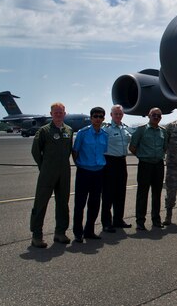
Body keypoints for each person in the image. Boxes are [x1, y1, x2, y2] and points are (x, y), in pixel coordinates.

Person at [29, 102, 73, 248]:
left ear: (65, 113)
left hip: (64, 172)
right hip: (48, 172)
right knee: (41, 203)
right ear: (51, 114)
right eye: (56, 112)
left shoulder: (69, 130)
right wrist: (44, 167)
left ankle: (60, 233)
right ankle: (37, 235)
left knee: (63, 203)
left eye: (61, 112)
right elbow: (36, 151)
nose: (59, 114)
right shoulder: (44, 131)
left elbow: (69, 150)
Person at [71, 106, 108, 242]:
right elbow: (75, 151)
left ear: (104, 119)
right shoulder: (82, 133)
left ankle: (89, 230)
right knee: (80, 204)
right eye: (95, 116)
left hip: (98, 172)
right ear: (91, 118)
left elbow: (104, 151)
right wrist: (80, 164)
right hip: (84, 172)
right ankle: (78, 232)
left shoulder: (105, 134)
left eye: (100, 116)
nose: (98, 119)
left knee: (94, 203)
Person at [129, 108, 166, 230]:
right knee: (142, 194)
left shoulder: (163, 132)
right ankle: (140, 221)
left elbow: (165, 148)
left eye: (159, 116)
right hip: (145, 165)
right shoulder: (141, 130)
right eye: (154, 115)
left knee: (157, 194)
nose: (156, 117)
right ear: (149, 116)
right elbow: (133, 147)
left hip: (158, 165)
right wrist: (142, 156)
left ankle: (156, 219)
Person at [101, 104, 132, 232]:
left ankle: (118, 220)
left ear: (123, 115)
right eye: (116, 114)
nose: (118, 116)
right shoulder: (105, 129)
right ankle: (107, 222)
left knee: (120, 193)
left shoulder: (125, 129)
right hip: (109, 162)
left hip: (121, 162)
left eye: (120, 114)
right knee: (108, 194)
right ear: (111, 115)